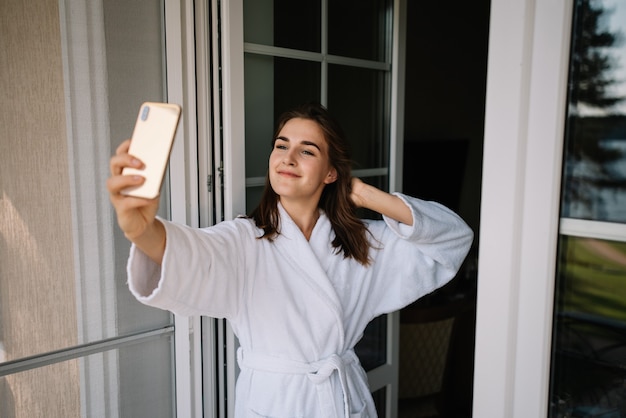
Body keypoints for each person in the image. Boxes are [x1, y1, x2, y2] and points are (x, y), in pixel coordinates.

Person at [107, 102, 473, 418]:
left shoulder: (362, 242)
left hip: (340, 401)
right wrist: (142, 231)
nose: (288, 157)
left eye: (308, 150)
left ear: (332, 173)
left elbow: (452, 238)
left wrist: (364, 194)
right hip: (274, 403)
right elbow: (194, 256)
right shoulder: (243, 240)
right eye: (281, 145)